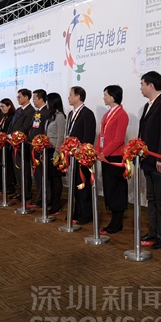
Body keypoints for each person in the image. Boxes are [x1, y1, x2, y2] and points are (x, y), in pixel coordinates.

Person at [138, 71, 161, 249]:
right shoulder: (149, 105)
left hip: (158, 161)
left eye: (142, 84)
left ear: (151, 85)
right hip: (147, 160)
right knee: (151, 198)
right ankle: (153, 231)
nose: (140, 88)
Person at [96, 85, 129, 234]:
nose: (104, 98)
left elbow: (118, 139)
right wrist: (98, 151)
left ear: (113, 97)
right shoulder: (107, 113)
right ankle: (114, 220)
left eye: (106, 95)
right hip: (106, 156)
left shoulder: (121, 114)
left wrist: (104, 152)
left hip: (115, 157)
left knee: (117, 189)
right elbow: (101, 135)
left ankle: (117, 222)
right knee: (109, 188)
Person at [66, 86, 96, 224]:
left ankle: (86, 214)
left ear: (78, 96)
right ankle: (77, 211)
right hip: (72, 156)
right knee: (74, 186)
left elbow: (88, 136)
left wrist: (82, 152)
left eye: (71, 95)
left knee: (83, 186)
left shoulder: (87, 113)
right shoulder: (71, 114)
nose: (68, 97)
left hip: (82, 156)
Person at [9, 89, 35, 200]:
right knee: (17, 169)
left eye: (19, 97)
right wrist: (9, 134)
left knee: (24, 169)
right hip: (14, 143)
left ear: (26, 97)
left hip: (23, 144)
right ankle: (20, 190)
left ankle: (26, 192)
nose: (18, 99)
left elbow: (26, 127)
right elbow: (12, 124)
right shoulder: (19, 110)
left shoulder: (31, 111)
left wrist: (15, 135)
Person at [44, 92, 66, 215]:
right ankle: (52, 200)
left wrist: (57, 153)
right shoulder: (51, 116)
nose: (46, 103)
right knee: (51, 178)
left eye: (48, 101)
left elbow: (60, 136)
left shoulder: (60, 116)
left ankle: (57, 204)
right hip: (48, 149)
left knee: (56, 178)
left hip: (55, 151)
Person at [0, 97, 16, 198]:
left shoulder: (12, 117)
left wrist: (1, 133)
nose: (1, 108)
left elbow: (9, 130)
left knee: (9, 166)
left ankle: (10, 185)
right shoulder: (3, 117)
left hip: (8, 144)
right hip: (2, 144)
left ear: (9, 106)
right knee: (2, 165)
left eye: (3, 106)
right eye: (0, 107)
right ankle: (3, 184)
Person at [29, 89, 49, 207]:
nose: (33, 100)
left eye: (34, 98)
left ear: (41, 99)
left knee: (42, 175)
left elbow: (44, 131)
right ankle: (41, 196)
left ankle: (45, 197)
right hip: (34, 147)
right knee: (37, 174)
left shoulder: (46, 112)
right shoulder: (37, 112)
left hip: (41, 148)